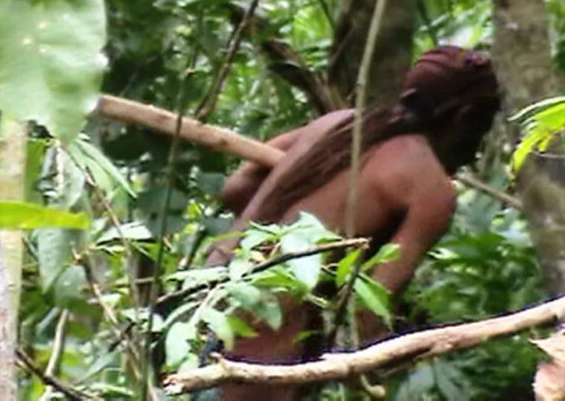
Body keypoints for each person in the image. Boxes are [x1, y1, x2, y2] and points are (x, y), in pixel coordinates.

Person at [206, 46, 501, 400]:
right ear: (463, 117)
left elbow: (235, 188)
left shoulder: (338, 123)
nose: (477, 150)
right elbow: (367, 313)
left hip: (203, 302)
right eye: (482, 129)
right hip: (261, 353)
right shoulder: (431, 189)